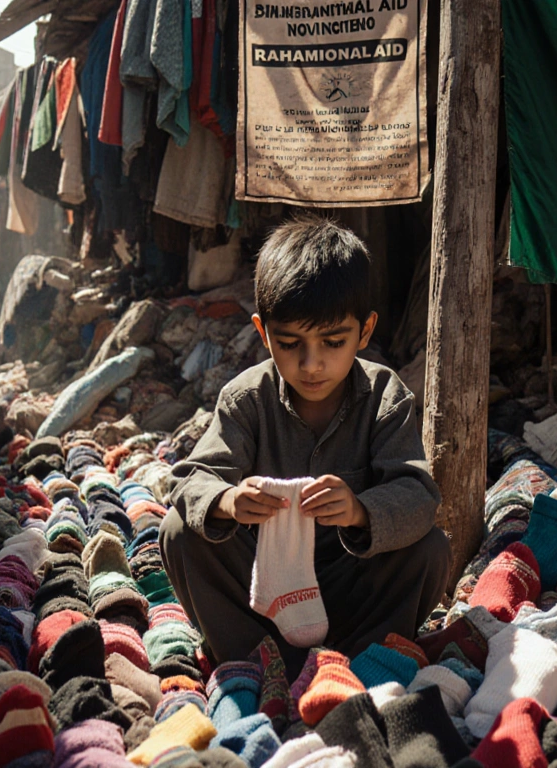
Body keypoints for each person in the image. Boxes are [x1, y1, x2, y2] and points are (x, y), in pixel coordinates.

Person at [160, 216, 451, 671]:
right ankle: (256, 661)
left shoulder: (385, 395)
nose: (311, 364)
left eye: (333, 342)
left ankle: (360, 660)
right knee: (179, 532)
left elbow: (419, 495)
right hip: (264, 587)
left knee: (429, 549)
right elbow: (190, 479)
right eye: (290, 342)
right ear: (263, 332)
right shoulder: (245, 398)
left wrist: (360, 510)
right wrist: (229, 501)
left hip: (351, 588)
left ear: (365, 331)